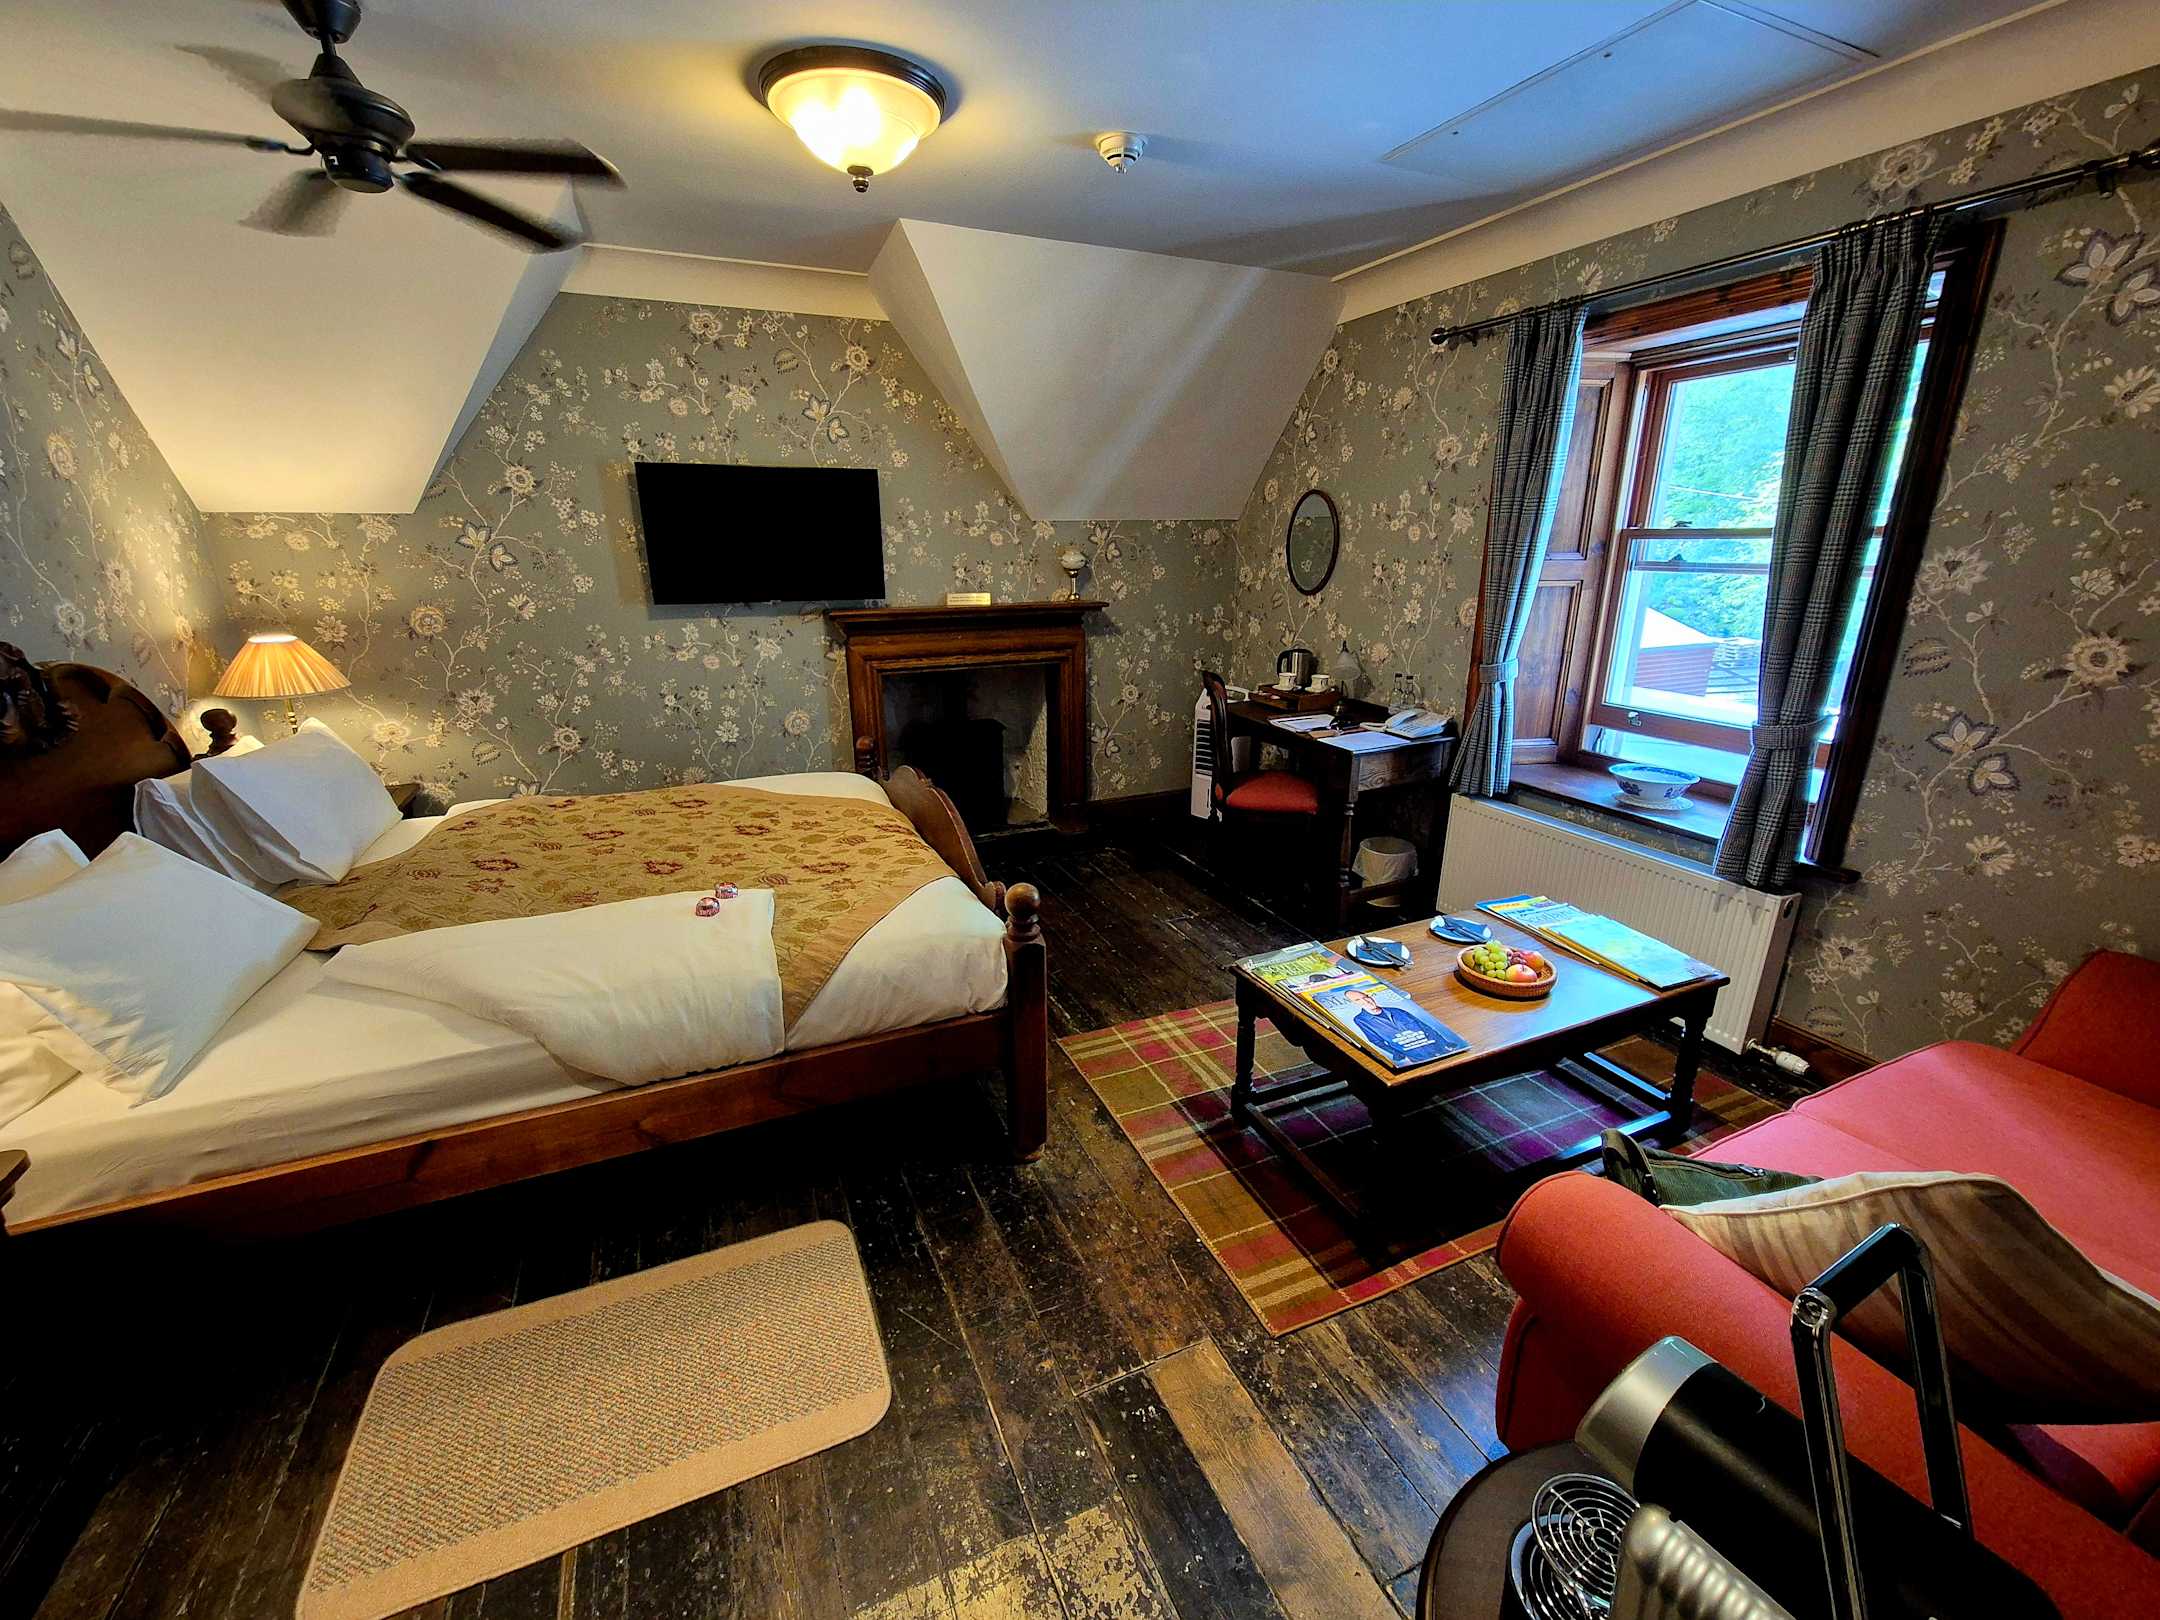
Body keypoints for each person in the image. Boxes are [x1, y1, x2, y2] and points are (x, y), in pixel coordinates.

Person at [1340, 986, 1440, 1058]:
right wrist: (1397, 1054)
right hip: (1416, 1057)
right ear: (1354, 1003)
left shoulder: (1396, 1010)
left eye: (1365, 997)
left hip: (1438, 1048)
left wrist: (1444, 1044)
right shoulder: (1361, 1020)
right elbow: (1376, 1041)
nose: (1366, 1001)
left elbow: (1426, 1027)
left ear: (1370, 996)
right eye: (1358, 1000)